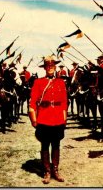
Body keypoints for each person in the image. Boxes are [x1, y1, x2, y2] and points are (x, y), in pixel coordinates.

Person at [28, 55, 67, 184]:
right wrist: (34, 119)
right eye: (47, 65)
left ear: (55, 67)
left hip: (57, 118)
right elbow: (33, 102)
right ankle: (47, 171)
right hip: (44, 118)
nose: (50, 67)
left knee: (56, 145)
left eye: (52, 65)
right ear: (44, 67)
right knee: (45, 145)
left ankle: (55, 170)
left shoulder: (60, 82)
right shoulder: (38, 82)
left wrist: (64, 119)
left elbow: (64, 103)